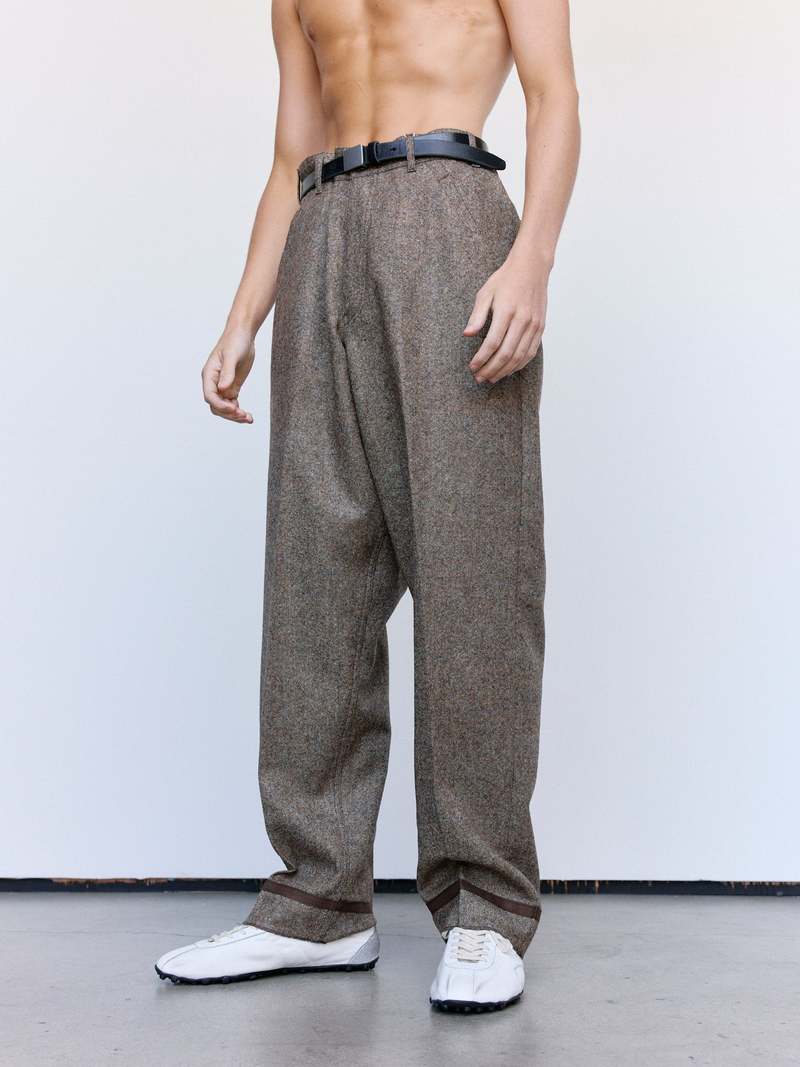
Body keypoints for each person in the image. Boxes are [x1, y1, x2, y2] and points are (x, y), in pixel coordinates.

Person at [156, 0, 579, 1013]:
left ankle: (485, 904)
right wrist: (242, 316)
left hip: (451, 212)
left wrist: (531, 260)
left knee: (472, 565)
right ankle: (318, 898)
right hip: (321, 230)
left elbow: (554, 96)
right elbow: (288, 156)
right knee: (316, 572)